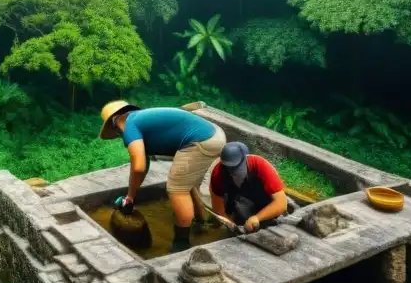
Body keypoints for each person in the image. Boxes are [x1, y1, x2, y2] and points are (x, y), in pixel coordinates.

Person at [99, 100, 226, 253]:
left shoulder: (130, 126)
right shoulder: (139, 120)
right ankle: (200, 221)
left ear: (114, 123)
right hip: (213, 135)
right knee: (186, 182)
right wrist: (130, 198)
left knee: (176, 189)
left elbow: (138, 166)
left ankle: (181, 244)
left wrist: (129, 199)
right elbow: (142, 167)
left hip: (201, 141)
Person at [209, 142, 289, 233]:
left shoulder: (261, 166)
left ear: (246, 159)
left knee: (274, 222)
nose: (231, 172)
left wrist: (257, 218)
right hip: (238, 200)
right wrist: (232, 226)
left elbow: (281, 204)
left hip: (263, 201)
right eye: (227, 167)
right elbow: (218, 209)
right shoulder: (218, 173)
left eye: (235, 167)